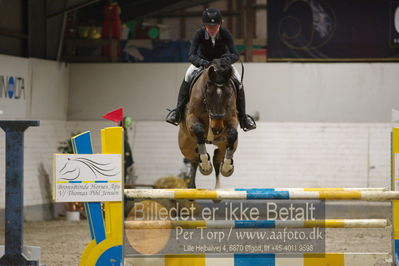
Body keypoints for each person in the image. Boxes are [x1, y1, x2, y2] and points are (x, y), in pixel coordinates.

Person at [165, 8, 256, 131]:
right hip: (203, 63)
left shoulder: (225, 34)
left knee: (238, 81)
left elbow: (235, 54)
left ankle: (244, 117)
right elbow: (191, 55)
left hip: (222, 65)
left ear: (220, 24)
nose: (212, 29)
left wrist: (223, 61)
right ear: (204, 25)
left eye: (215, 26)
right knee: (187, 76)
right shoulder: (199, 34)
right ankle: (178, 112)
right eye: (209, 26)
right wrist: (203, 63)